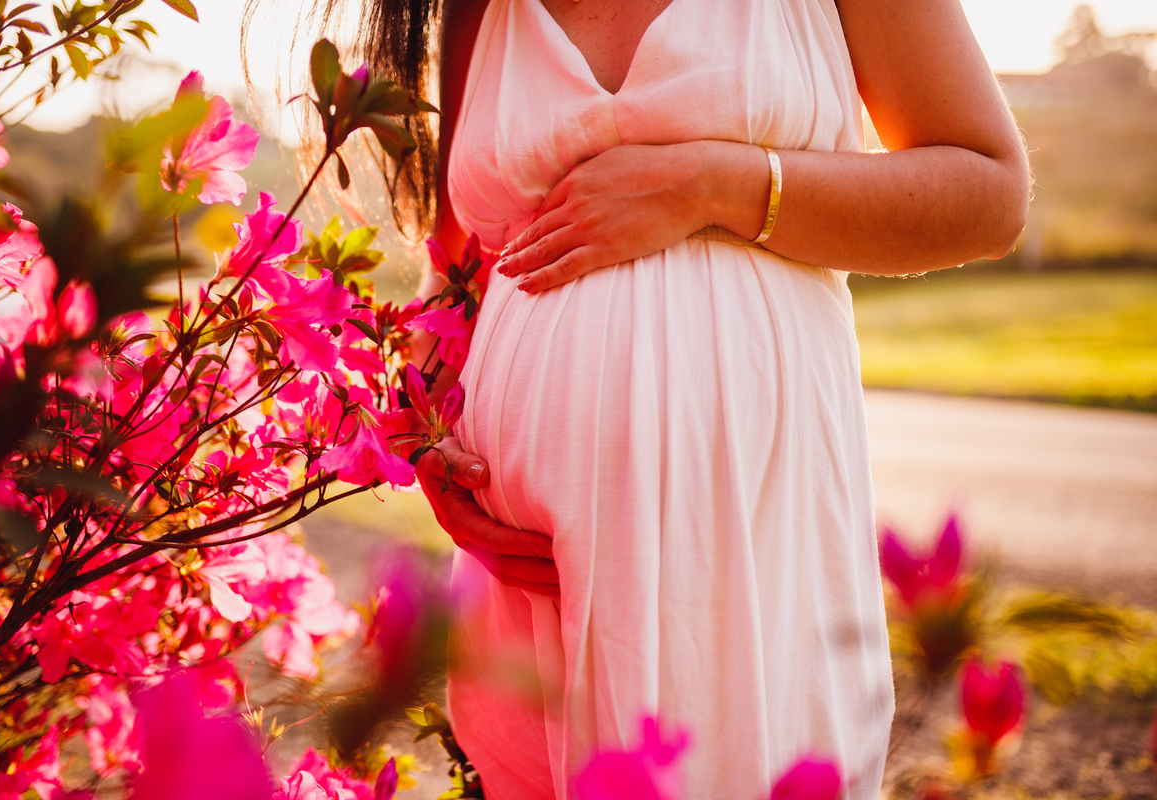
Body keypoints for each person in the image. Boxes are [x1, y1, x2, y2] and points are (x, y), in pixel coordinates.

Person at [327, 0, 1027, 796]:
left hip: (740, 551)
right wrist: (424, 437)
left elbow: (989, 192)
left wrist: (713, 184)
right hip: (530, 579)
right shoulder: (477, 8)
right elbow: (458, 258)